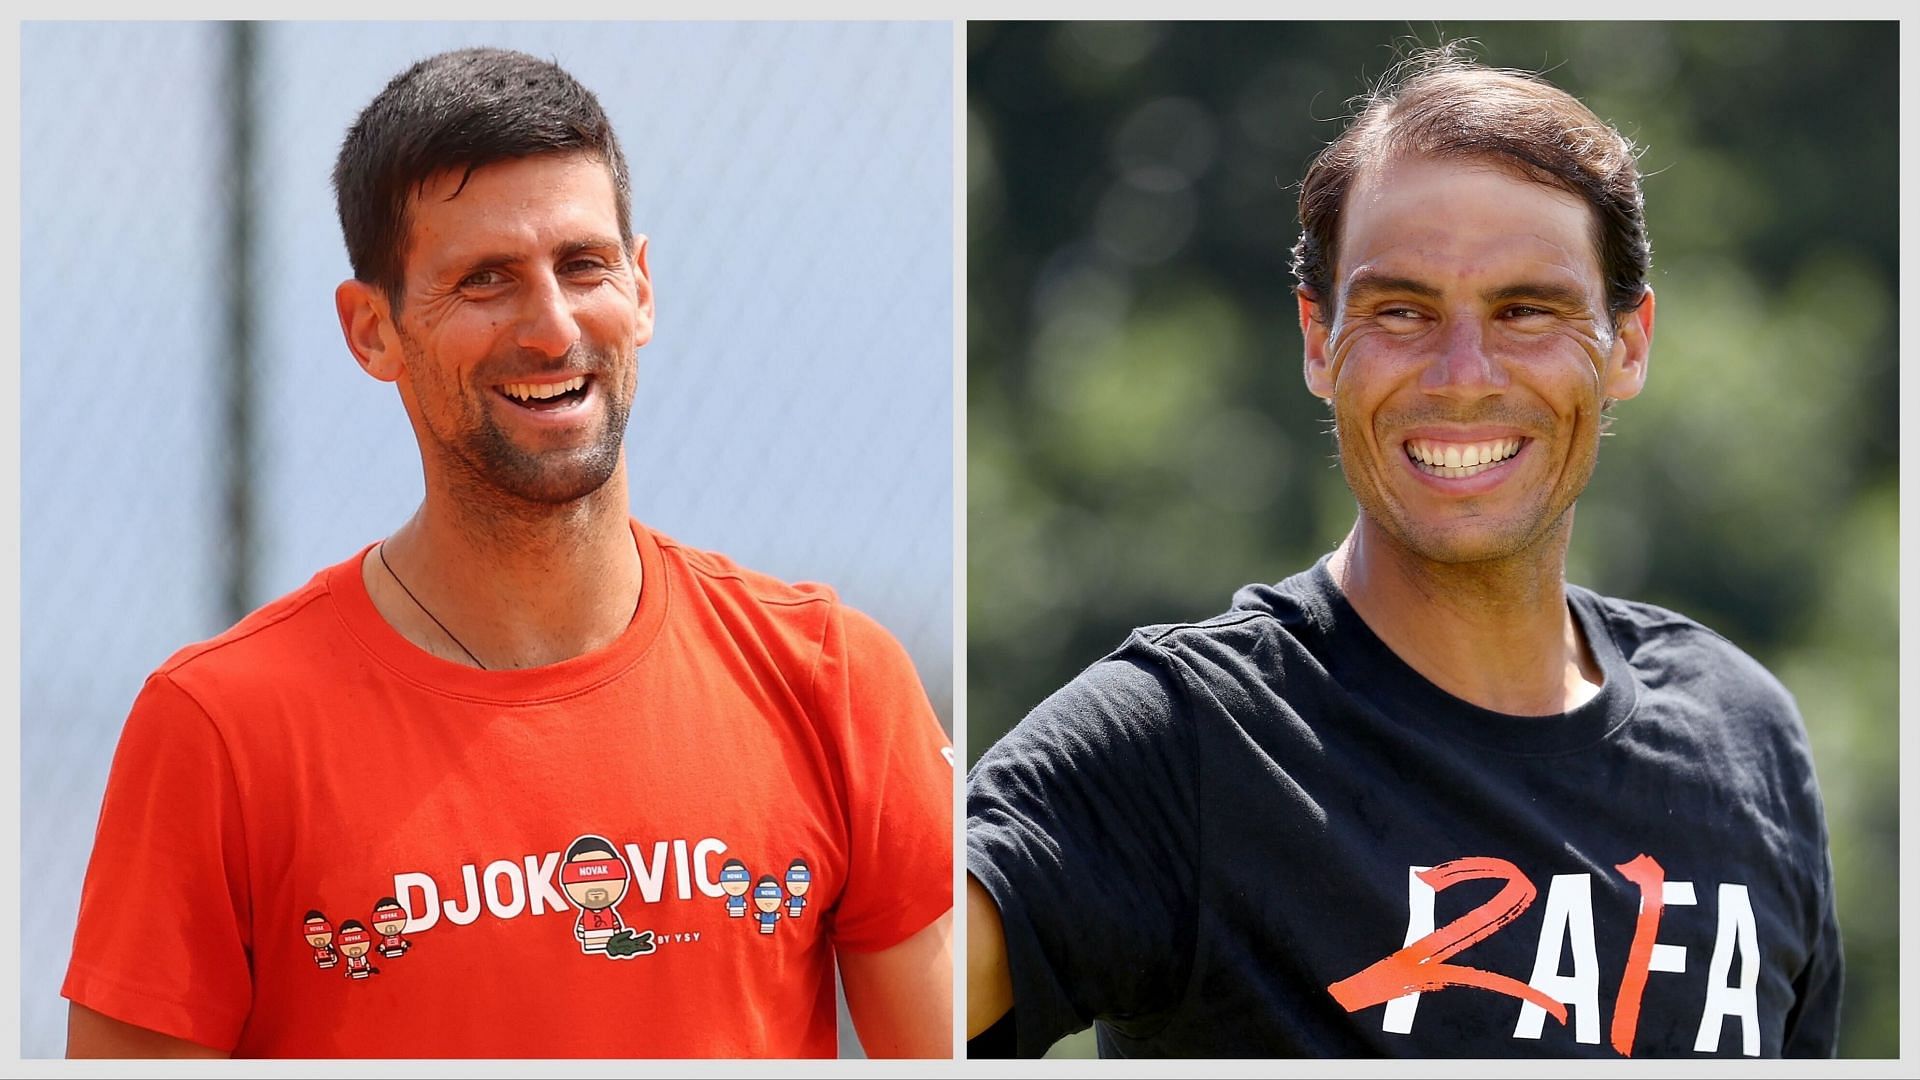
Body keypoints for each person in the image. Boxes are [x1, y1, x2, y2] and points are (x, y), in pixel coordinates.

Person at [63, 46, 952, 1059]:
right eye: (485, 280)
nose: (552, 326)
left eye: (584, 266)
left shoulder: (837, 682)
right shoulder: (218, 732)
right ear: (371, 330)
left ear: (644, 288)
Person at [966, 48, 1841, 1059]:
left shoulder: (1746, 736)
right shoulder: (1188, 744)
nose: (1463, 376)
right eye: (1400, 311)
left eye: (1526, 310)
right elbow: (873, 1001)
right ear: (1316, 339)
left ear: (1628, 344)